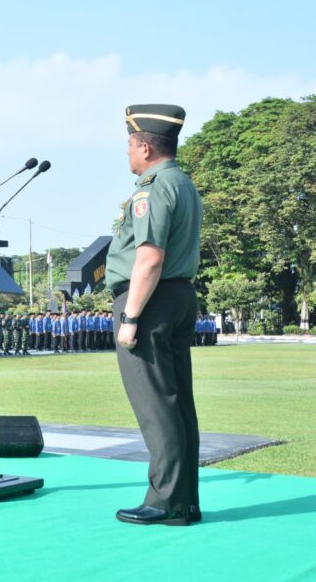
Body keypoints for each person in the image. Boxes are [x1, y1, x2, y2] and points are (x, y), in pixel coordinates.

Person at [105, 104, 202, 526]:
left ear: (145, 146)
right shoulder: (182, 182)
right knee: (178, 403)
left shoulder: (152, 187)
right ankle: (183, 502)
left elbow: (148, 258)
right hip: (179, 297)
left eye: (129, 143)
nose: (127, 152)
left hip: (150, 300)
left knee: (156, 404)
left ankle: (164, 501)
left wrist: (130, 317)